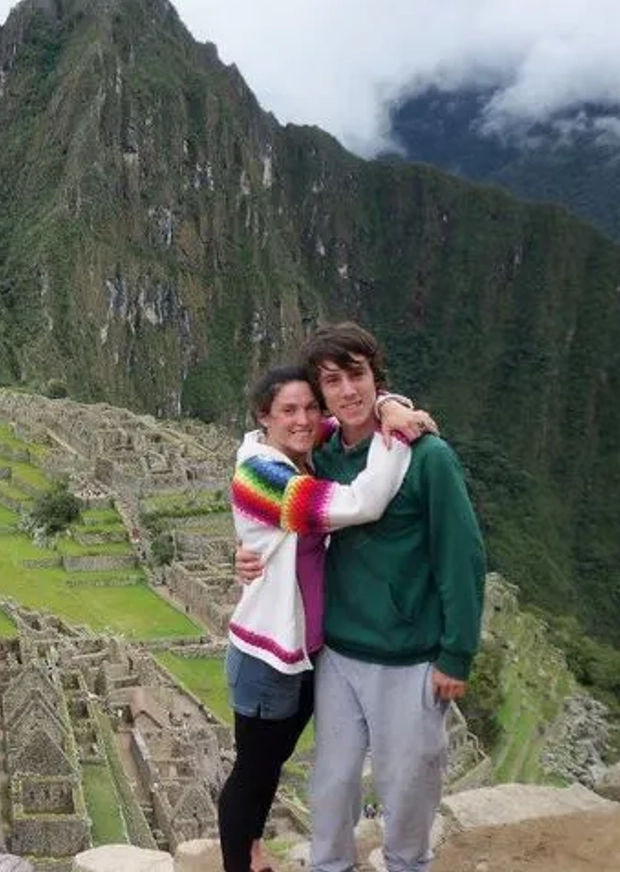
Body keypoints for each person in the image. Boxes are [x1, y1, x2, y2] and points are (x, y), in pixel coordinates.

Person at [241, 323, 485, 872]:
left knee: (407, 783)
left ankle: (406, 864)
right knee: (331, 780)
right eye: (333, 380)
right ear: (321, 393)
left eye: (358, 375)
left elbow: (462, 557)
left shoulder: (428, 458)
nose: (348, 390)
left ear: (376, 377)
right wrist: (246, 551)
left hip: (408, 655)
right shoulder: (320, 455)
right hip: (339, 653)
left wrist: (456, 653)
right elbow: (270, 493)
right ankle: (329, 865)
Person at [218, 365, 430, 872]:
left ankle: (253, 850)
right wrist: (398, 436)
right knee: (253, 771)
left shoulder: (302, 451)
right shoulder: (262, 476)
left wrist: (387, 404)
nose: (305, 419)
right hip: (265, 659)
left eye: (310, 407)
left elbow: (351, 414)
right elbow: (363, 502)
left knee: (270, 765)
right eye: (289, 410)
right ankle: (240, 860)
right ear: (263, 418)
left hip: (306, 653)